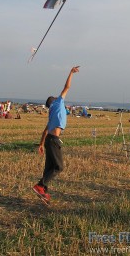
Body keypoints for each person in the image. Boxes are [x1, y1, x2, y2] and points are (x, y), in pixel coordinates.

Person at [33, 66, 80, 204]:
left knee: (49, 168)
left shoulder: (51, 112)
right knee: (59, 167)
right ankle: (40, 186)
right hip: (53, 140)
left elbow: (45, 130)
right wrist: (71, 72)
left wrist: (41, 144)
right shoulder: (58, 102)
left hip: (48, 140)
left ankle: (44, 193)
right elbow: (67, 87)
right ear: (53, 101)